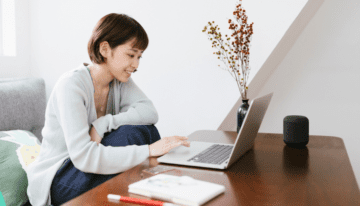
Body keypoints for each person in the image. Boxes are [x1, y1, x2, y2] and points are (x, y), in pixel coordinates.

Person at [25, 13, 190, 206]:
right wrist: (149, 150)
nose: (136, 65)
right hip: (59, 179)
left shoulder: (119, 81)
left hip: (87, 171)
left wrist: (104, 123)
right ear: (105, 49)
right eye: (131, 55)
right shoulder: (71, 85)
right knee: (133, 134)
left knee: (145, 129)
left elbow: (150, 112)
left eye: (139, 57)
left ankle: (155, 189)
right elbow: (84, 157)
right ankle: (152, 188)